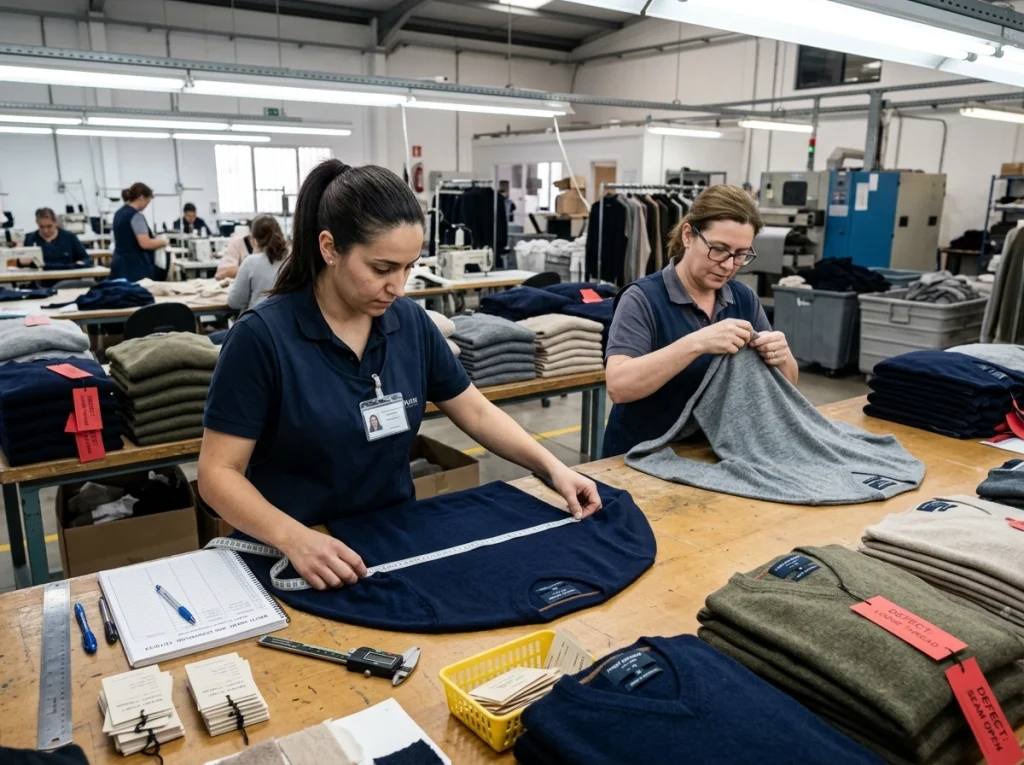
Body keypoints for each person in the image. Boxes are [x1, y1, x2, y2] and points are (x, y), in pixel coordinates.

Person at [198, 160, 601, 590]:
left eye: (409, 267)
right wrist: (294, 539)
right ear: (330, 248)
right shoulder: (262, 339)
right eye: (382, 268)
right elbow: (217, 474)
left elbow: (477, 413)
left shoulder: (408, 323)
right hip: (289, 555)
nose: (400, 286)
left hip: (389, 543)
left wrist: (553, 468)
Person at [602, 184, 797, 457]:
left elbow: (786, 383)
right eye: (718, 249)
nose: (728, 265)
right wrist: (696, 343)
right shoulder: (642, 298)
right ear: (688, 235)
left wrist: (782, 355)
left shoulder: (744, 299)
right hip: (641, 456)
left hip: (714, 455)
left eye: (741, 254)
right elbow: (619, 386)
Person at [227, 216, 289, 312]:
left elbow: (235, 302)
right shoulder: (292, 259)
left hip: (259, 322)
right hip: (287, 321)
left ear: (253, 239)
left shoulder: (250, 262)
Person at [110, 183, 167, 281]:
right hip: (134, 267)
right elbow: (145, 243)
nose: (147, 205)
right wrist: (163, 242)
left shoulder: (118, 213)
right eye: (147, 201)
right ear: (141, 197)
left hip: (118, 265)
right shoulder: (136, 216)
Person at [22, 207, 92, 268]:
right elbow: (21, 263)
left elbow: (86, 259)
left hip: (67, 278)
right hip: (40, 280)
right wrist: (21, 262)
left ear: (55, 222)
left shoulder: (69, 237)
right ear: (37, 223)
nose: (45, 230)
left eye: (49, 226)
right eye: (41, 227)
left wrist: (82, 263)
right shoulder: (30, 239)